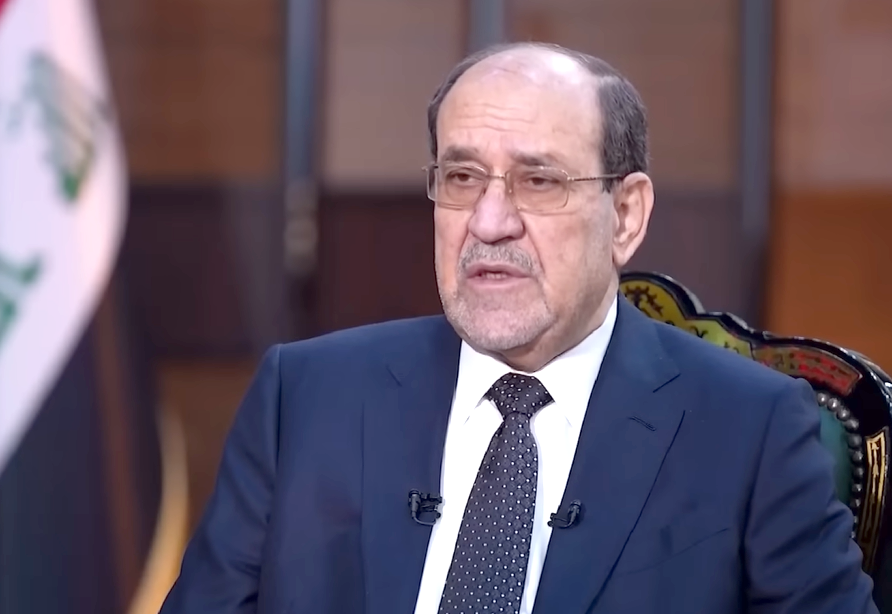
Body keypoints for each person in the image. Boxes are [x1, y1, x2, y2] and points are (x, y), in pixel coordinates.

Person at [160, 42, 878, 614]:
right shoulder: (305, 396)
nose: (489, 222)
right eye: (462, 178)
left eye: (539, 181)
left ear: (626, 216)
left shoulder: (748, 429)